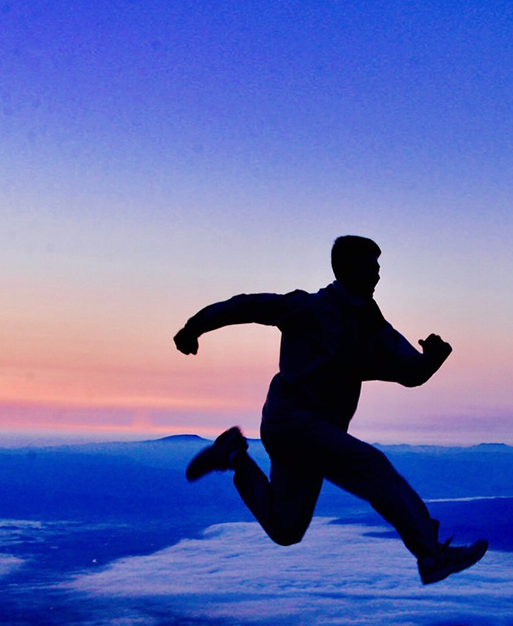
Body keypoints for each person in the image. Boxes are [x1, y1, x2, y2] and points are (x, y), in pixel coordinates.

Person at [173, 235, 487, 585]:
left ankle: (234, 456)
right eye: (373, 266)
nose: (379, 275)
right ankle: (431, 555)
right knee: (373, 467)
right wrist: (193, 328)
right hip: (290, 422)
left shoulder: (373, 329)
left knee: (286, 528)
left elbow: (411, 374)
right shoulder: (306, 308)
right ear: (348, 268)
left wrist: (432, 360)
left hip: (316, 436)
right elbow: (244, 306)